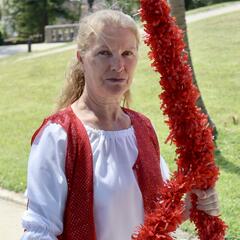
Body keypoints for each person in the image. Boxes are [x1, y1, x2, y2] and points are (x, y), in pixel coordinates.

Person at [21, 9, 220, 240]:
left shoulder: (143, 128)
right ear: (81, 58)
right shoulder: (58, 136)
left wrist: (195, 204)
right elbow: (39, 232)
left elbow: (157, 210)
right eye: (104, 53)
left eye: (127, 53)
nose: (118, 65)